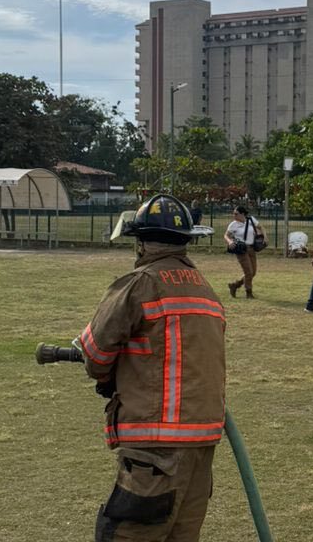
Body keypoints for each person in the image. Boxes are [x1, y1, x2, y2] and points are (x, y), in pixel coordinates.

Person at [79, 193, 226, 542]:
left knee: (126, 535)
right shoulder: (205, 288)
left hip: (157, 446)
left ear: (142, 243)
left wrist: (109, 375)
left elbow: (96, 354)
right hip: (201, 442)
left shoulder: (141, 283)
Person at [224, 205, 264, 299]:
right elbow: (226, 235)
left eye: (236, 214)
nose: (234, 215)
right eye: (233, 213)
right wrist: (230, 242)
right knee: (248, 272)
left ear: (242, 214)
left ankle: (235, 285)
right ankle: (248, 292)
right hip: (241, 249)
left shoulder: (251, 220)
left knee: (253, 272)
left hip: (251, 248)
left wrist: (264, 237)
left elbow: (260, 227)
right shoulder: (233, 224)